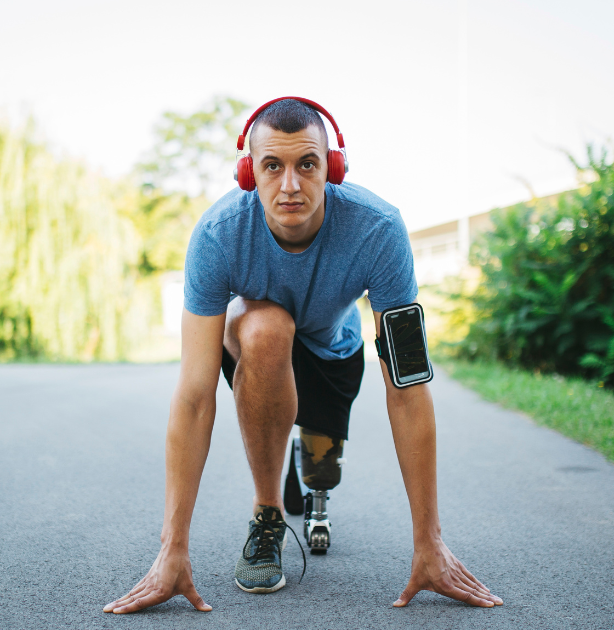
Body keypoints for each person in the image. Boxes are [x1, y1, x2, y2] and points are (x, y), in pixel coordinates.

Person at [104, 97, 501, 613]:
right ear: (249, 173)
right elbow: (195, 396)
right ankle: (268, 513)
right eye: (273, 166)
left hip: (335, 353)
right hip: (260, 349)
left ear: (332, 168)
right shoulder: (218, 236)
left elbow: (407, 386)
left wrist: (430, 542)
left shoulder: (378, 229)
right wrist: (172, 549)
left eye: (307, 164)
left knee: (320, 476)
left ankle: (302, 462)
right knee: (268, 327)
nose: (290, 185)